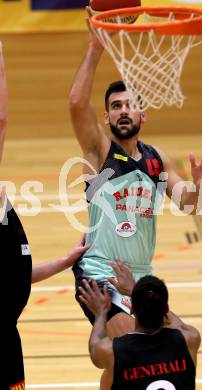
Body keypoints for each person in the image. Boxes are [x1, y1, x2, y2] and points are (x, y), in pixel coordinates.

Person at [69, 10, 202, 337]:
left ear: (142, 114)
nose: (122, 111)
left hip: (140, 277)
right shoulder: (99, 153)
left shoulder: (156, 159)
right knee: (131, 349)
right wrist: (95, 47)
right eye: (115, 106)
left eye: (129, 105)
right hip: (99, 273)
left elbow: (189, 205)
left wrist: (201, 185)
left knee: (163, 346)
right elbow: (77, 104)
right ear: (106, 117)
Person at [0, 41, 90, 390]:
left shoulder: (6, 219)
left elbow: (18, 276)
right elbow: (2, 122)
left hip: (8, 343)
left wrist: (66, 260)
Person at [79, 259, 201, 390]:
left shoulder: (114, 351)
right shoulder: (189, 339)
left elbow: (95, 349)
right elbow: (178, 325)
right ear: (166, 309)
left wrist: (101, 312)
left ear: (132, 309)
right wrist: (135, 292)